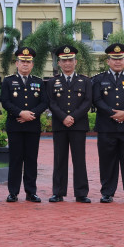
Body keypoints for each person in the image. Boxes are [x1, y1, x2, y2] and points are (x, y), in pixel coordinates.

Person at [92, 43, 124, 204]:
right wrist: (112, 113)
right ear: (108, 61)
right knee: (107, 162)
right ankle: (107, 193)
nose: (117, 62)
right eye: (114, 59)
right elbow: (96, 100)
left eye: (120, 59)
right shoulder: (99, 79)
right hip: (106, 127)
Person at [0, 47, 48, 203]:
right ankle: (13, 192)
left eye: (28, 62)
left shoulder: (39, 82)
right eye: (22, 62)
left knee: (31, 160)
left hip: (32, 127)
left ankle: (31, 192)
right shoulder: (8, 81)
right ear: (17, 63)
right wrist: (21, 113)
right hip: (15, 126)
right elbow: (5, 102)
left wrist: (30, 115)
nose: (25, 65)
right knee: (15, 160)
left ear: (32, 64)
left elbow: (44, 102)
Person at [46, 45, 92, 203]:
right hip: (60, 125)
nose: (67, 63)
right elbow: (51, 102)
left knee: (79, 159)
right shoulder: (53, 82)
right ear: (59, 63)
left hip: (78, 125)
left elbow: (87, 102)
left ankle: (81, 193)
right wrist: (63, 117)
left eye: (70, 60)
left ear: (75, 62)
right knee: (59, 159)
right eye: (64, 60)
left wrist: (72, 117)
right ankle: (58, 192)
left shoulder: (85, 81)